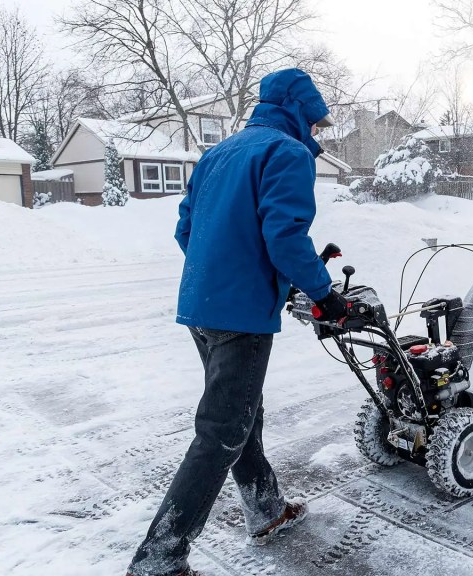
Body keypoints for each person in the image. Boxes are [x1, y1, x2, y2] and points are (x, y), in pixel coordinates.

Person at [126, 68, 349, 576]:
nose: (316, 131)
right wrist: (324, 293)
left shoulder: (219, 153)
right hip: (240, 315)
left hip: (201, 305)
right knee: (221, 431)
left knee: (241, 413)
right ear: (299, 111)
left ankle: (266, 509)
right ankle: (158, 560)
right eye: (315, 121)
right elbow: (284, 238)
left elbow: (186, 229)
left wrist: (225, 270)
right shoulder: (287, 153)